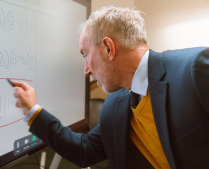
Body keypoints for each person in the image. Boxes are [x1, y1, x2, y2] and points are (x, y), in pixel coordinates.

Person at [13, 6, 209, 169]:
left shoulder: (195, 68)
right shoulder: (115, 104)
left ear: (108, 48)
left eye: (85, 55)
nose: (86, 70)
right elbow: (83, 151)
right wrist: (33, 111)